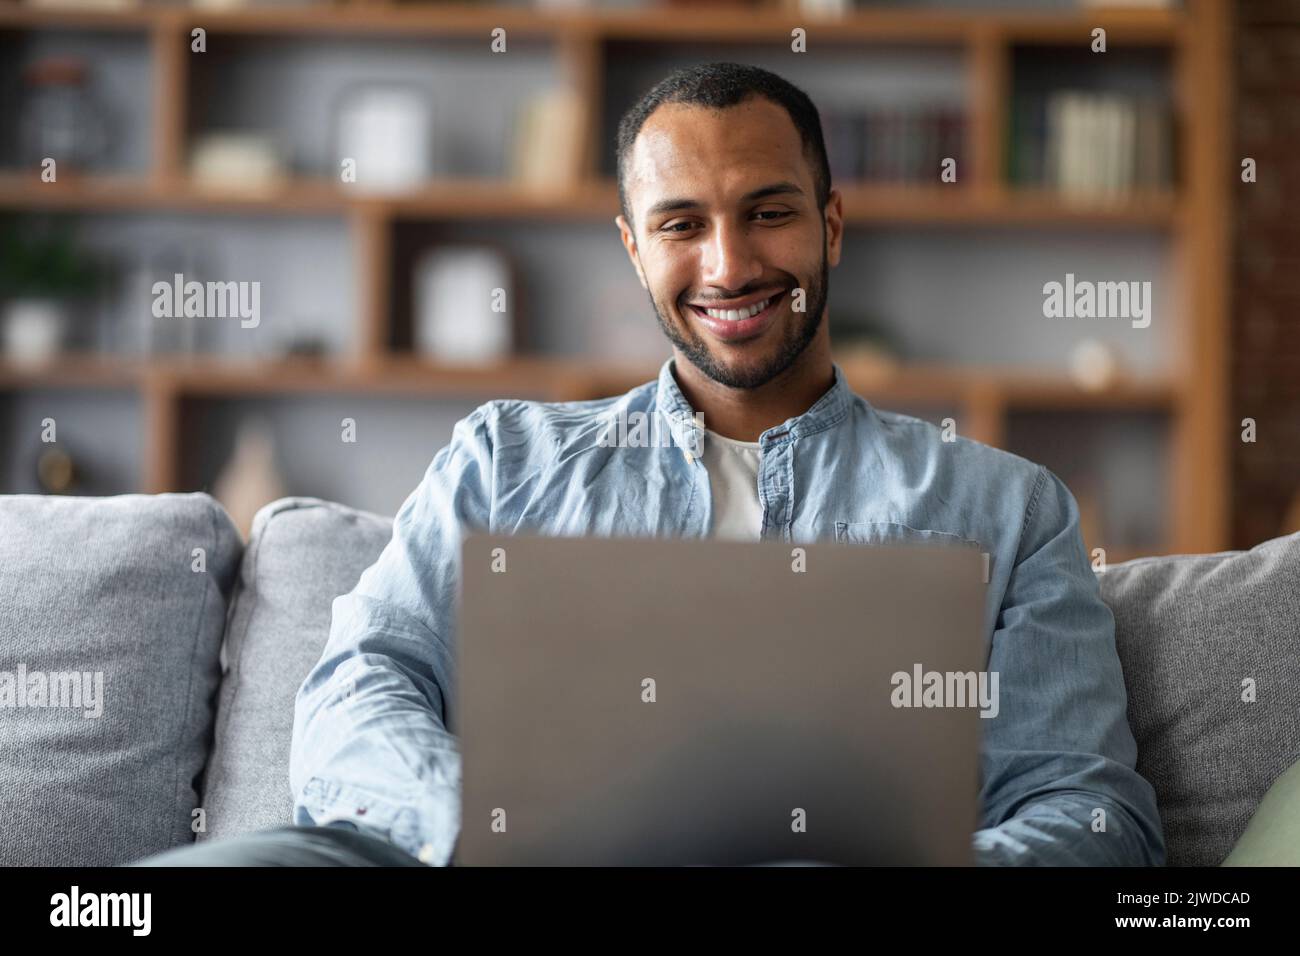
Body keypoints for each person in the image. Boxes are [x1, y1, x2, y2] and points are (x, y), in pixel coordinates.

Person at [131, 62, 1164, 867]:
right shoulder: (503, 460)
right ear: (634, 248)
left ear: (830, 224)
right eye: (683, 224)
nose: (729, 265)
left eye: (768, 210)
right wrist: (486, 832)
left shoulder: (1006, 508)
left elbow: (1089, 812)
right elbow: (359, 689)